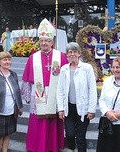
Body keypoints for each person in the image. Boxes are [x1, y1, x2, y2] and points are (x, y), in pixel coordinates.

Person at [21, 18, 68, 152]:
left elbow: (66, 79)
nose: (44, 43)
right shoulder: (33, 57)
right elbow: (26, 80)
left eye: (46, 41)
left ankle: (52, 145)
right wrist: (27, 96)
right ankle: (37, 146)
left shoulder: (61, 56)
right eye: (41, 41)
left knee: (53, 122)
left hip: (55, 92)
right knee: (38, 122)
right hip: (39, 93)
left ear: (52, 42)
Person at [57, 42, 97, 152]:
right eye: (70, 52)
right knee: (69, 135)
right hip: (68, 108)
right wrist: (60, 108)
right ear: (67, 55)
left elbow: (92, 89)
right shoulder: (64, 69)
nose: (72, 54)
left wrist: (91, 109)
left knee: (80, 137)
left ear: (79, 53)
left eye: (75, 52)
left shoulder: (87, 68)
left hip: (83, 108)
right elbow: (60, 90)